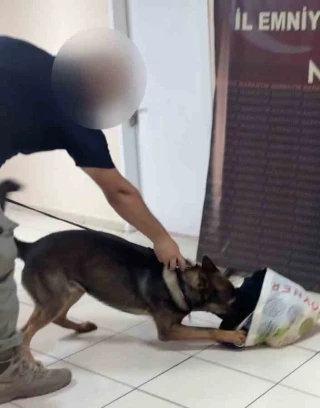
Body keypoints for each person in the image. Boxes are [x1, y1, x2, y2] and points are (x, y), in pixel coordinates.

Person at [0, 36, 187, 402]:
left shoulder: (32, 59)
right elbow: (119, 191)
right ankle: (7, 373)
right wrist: (162, 239)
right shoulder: (74, 112)